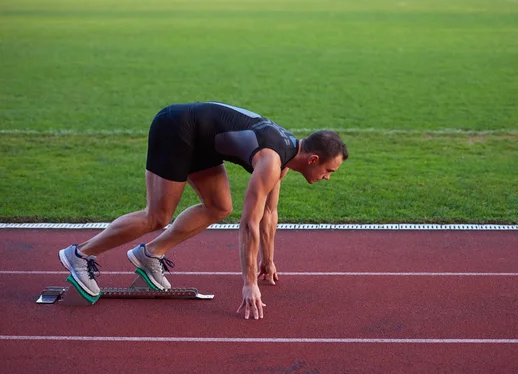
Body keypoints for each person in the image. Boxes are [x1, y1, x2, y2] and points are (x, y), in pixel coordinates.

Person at [58, 101, 348, 320]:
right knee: (157, 216)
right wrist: (248, 284)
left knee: (219, 206)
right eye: (329, 170)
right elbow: (249, 223)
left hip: (202, 141)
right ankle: (80, 254)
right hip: (177, 127)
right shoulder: (273, 161)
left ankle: (149, 254)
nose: (328, 177)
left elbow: (269, 213)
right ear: (313, 159)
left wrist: (268, 261)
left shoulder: (285, 156)